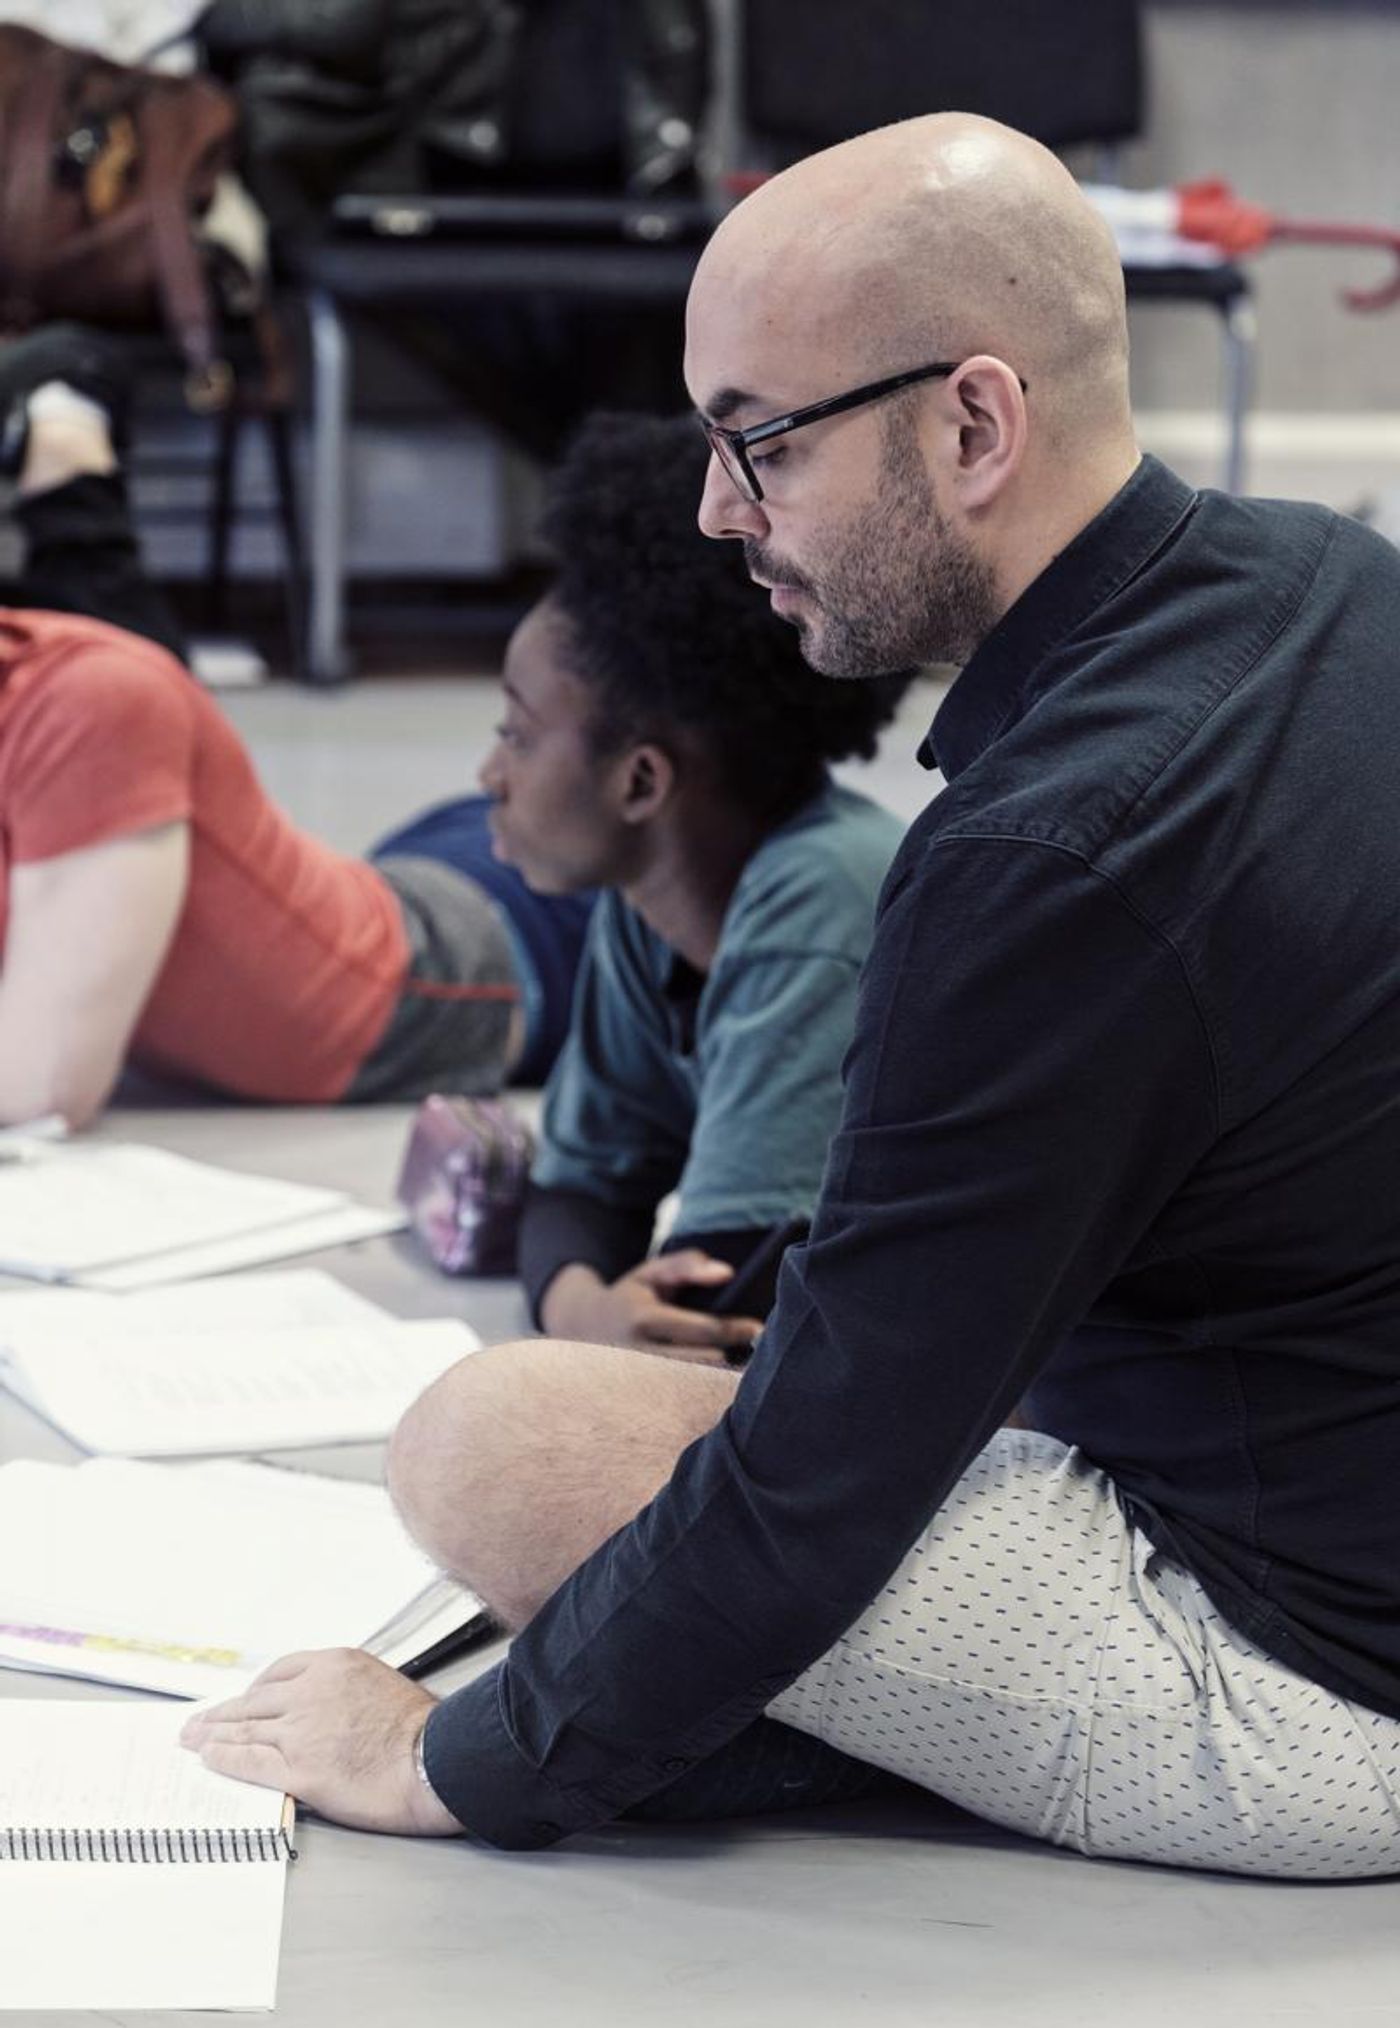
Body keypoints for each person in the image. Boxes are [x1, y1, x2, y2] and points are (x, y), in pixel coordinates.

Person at [185, 112, 1400, 1881]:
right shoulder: (1336, 584)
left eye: (761, 442)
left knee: (495, 1446)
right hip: (1328, 1472)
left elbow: (821, 1480)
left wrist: (452, 1760)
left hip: (1316, 1688)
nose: (716, 510)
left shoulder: (1043, 854)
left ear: (974, 424)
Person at [0, 322, 579, 1124]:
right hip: (398, 881)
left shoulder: (83, 699)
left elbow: (43, 1087)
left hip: (487, 954)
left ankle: (69, 457)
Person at [495, 412, 908, 1356]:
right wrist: (583, 1310)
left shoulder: (818, 897)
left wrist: (611, 1320)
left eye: (515, 734)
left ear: (641, 782)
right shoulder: (649, 906)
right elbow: (577, 1193)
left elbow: (726, 1311)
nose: (491, 773)